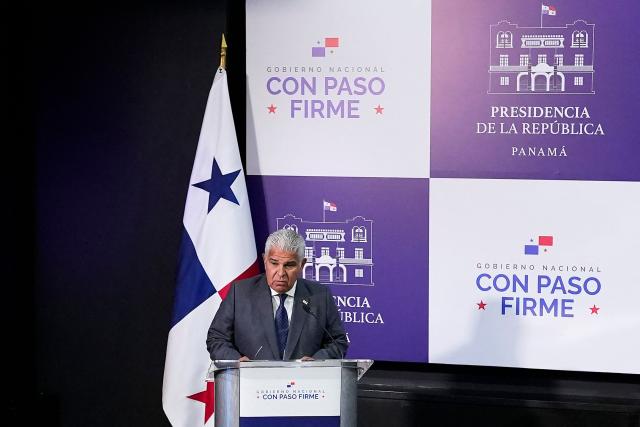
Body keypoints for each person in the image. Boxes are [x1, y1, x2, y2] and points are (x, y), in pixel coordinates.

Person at [206, 228, 349, 361]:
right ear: (264, 260)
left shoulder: (320, 296)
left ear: (302, 265)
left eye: (289, 265)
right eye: (274, 263)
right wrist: (236, 361)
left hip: (304, 383)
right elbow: (216, 338)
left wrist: (316, 362)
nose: (280, 273)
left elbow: (338, 341)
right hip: (252, 381)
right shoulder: (240, 293)